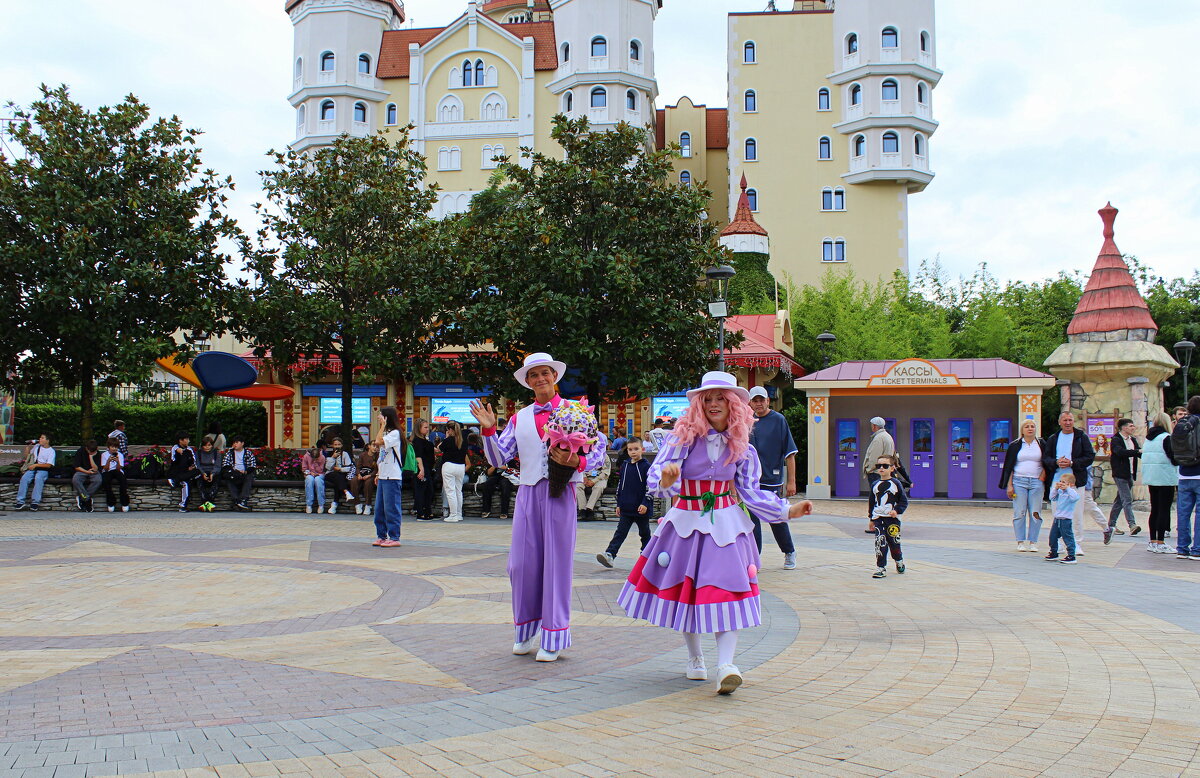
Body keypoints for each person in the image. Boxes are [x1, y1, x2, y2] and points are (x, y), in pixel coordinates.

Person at [615, 371, 812, 694]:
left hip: (725, 525)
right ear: (699, 405)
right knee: (687, 594)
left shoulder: (743, 448)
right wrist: (667, 481)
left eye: (721, 398)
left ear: (733, 404)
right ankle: (695, 658)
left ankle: (726, 665)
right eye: (708, 399)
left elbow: (750, 491)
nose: (714, 403)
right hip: (685, 525)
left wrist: (786, 511)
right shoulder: (682, 440)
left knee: (726, 590)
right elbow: (657, 481)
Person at [471, 352, 608, 663]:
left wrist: (578, 461)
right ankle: (524, 629)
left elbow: (598, 451)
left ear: (554, 376)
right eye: (533, 375)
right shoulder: (519, 417)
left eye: (544, 373)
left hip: (561, 495)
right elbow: (497, 459)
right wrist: (490, 430)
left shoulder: (577, 411)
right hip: (528, 494)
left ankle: (554, 634)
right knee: (519, 565)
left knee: (556, 566)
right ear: (527, 382)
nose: (540, 379)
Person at [1042, 411, 1112, 553]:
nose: (1068, 423)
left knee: (1076, 513)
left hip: (1076, 481)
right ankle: (1059, 543)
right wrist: (1056, 463)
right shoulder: (1053, 438)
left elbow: (1089, 456)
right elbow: (1046, 458)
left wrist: (1072, 463)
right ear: (1060, 422)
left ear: (1073, 422)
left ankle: (1076, 542)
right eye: (1065, 420)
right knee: (1057, 513)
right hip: (1057, 480)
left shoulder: (1081, 437)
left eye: (1070, 420)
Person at [746, 387, 799, 570]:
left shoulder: (778, 420)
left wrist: (791, 481)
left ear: (768, 401)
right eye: (755, 400)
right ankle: (755, 558)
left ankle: (789, 551)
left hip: (772, 479)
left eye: (762, 400)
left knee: (776, 517)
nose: (758, 404)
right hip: (750, 482)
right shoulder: (746, 422)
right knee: (752, 522)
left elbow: (790, 453)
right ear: (750, 403)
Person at [596, 436, 654, 568]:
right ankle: (610, 554)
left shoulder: (647, 467)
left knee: (644, 533)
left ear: (642, 449)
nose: (633, 452)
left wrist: (645, 502)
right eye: (630, 449)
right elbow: (621, 485)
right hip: (626, 507)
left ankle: (646, 555)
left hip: (641, 508)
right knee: (620, 532)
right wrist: (619, 503)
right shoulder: (626, 465)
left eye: (636, 449)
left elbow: (650, 486)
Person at [999, 420, 1047, 552]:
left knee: (1035, 512)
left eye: (1032, 426)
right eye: (1027, 426)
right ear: (1022, 430)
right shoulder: (1015, 445)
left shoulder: (1041, 444)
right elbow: (1009, 466)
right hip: (1019, 481)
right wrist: (1009, 485)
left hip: (1037, 482)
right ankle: (1020, 541)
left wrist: (1043, 474)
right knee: (1019, 512)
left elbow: (1048, 462)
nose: (1030, 429)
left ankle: (1033, 541)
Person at [1168, 396, 1200, 560]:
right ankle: (1197, 549)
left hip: (1183, 473)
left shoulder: (1181, 424)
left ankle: (1182, 548)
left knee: (1183, 512)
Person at [1142, 412, 1177, 553]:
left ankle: (1152, 541)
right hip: (1165, 477)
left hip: (1152, 477)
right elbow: (1173, 458)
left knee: (1155, 509)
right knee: (1164, 509)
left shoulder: (1148, 439)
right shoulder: (1166, 438)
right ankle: (1161, 541)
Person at [869, 456, 908, 578]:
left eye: (885, 466)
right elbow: (872, 502)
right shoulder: (875, 484)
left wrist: (896, 511)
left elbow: (903, 501)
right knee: (880, 542)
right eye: (878, 466)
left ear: (892, 468)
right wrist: (871, 518)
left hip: (892, 520)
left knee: (894, 542)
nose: (881, 468)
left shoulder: (896, 484)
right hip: (878, 518)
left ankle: (899, 560)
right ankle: (881, 567)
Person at [373, 407, 407, 547]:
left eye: (381, 415)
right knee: (379, 508)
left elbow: (378, 441)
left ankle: (394, 537)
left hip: (392, 477)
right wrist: (378, 473)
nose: (378, 417)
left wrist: (383, 425)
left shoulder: (395, 433)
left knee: (391, 508)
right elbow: (381, 455)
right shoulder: (387, 432)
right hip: (383, 476)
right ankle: (381, 535)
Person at [1108, 418, 1143, 536]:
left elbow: (1139, 453)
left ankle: (1111, 525)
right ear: (1123, 427)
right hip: (1120, 474)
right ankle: (1132, 525)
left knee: (1120, 500)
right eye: (1131, 426)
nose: (1133, 428)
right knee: (1127, 499)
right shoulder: (1116, 440)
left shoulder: (1132, 440)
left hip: (1130, 473)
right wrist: (1136, 451)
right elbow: (1120, 452)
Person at [863, 416, 895, 533]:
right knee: (882, 499)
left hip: (876, 472)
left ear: (875, 426)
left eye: (872, 425)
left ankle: (875, 524)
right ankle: (882, 524)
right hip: (885, 472)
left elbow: (874, 457)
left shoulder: (878, 438)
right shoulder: (888, 437)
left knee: (875, 498)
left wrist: (869, 469)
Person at [438, 421, 470, 523]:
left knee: (450, 491)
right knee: (458, 491)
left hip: (449, 466)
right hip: (460, 467)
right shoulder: (463, 441)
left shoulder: (448, 440)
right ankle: (459, 514)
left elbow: (439, 448)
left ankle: (453, 515)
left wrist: (446, 438)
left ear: (450, 430)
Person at [1044, 473, 1080, 564]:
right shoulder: (1060, 492)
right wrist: (1055, 488)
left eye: (1063, 482)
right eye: (1060, 481)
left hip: (1066, 519)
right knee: (1053, 536)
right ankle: (1054, 552)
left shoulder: (1072, 493)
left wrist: (1068, 488)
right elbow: (1052, 497)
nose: (1061, 484)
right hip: (1057, 518)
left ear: (1070, 484)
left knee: (1068, 537)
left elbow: (1075, 498)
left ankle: (1071, 555)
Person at [15, 434, 55, 511]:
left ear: (47, 441)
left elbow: (48, 465)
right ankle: (20, 501)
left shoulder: (51, 451)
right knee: (24, 478)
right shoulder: (37, 447)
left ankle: (35, 502)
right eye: (40, 437)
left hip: (43, 469)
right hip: (32, 468)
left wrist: (36, 465)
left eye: (42, 438)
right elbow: (28, 457)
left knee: (38, 478)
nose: (40, 439)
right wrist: (27, 447)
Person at [167, 432, 200, 513]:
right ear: (180, 440)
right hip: (177, 472)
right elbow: (174, 460)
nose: (188, 441)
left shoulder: (189, 450)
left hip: (187, 473)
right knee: (187, 483)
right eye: (187, 439)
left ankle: (175, 480)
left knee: (198, 473)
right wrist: (178, 451)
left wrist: (191, 467)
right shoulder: (175, 448)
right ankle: (183, 506)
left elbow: (194, 463)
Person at [223, 436, 257, 511]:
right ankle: (236, 500)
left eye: (237, 442)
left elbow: (253, 465)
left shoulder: (248, 453)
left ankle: (243, 500)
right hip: (234, 473)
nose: (235, 444)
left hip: (244, 473)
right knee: (227, 477)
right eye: (234, 443)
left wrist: (245, 471)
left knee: (249, 476)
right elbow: (225, 464)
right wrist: (234, 470)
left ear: (242, 443)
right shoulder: (230, 452)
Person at [575, 450, 611, 522]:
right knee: (577, 486)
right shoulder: (582, 454)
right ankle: (582, 509)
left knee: (599, 487)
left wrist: (594, 481)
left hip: (599, 478)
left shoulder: (604, 456)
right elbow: (578, 467)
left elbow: (606, 472)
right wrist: (584, 477)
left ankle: (589, 509)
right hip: (584, 477)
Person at [411, 419, 437, 521]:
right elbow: (418, 456)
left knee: (428, 490)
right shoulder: (417, 441)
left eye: (427, 427)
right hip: (422, 468)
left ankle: (428, 512)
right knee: (421, 490)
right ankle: (420, 513)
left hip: (427, 467)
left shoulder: (425, 441)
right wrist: (421, 470)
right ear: (419, 428)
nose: (427, 429)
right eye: (425, 427)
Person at [324, 437, 355, 514]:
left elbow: (348, 468)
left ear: (342, 445)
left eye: (339, 444)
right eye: (335, 444)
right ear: (332, 445)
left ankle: (334, 504)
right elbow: (328, 468)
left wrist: (340, 469)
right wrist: (333, 458)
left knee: (338, 480)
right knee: (337, 477)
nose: (337, 446)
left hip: (341, 474)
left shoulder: (345, 454)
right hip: (330, 474)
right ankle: (346, 492)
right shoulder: (329, 454)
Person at [71, 439, 103, 512]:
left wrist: (91, 457)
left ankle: (83, 497)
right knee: (76, 479)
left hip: (93, 471)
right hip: (82, 470)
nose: (92, 453)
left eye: (93, 452)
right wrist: (86, 471)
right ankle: (87, 499)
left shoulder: (97, 453)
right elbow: (77, 466)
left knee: (98, 480)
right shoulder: (80, 451)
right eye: (90, 451)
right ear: (86, 448)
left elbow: (96, 468)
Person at [100, 437, 130, 512]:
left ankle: (124, 502)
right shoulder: (104, 455)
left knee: (123, 481)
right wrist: (108, 461)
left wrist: (117, 462)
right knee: (106, 481)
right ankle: (111, 502)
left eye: (116, 447)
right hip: (108, 471)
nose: (114, 449)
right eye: (112, 447)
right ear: (108, 447)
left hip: (117, 470)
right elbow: (105, 469)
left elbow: (119, 468)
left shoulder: (120, 455)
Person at [195, 435, 222, 512]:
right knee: (199, 480)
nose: (207, 447)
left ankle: (207, 502)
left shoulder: (216, 453)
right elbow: (198, 465)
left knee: (217, 479)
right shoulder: (198, 453)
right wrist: (203, 473)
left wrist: (212, 474)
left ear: (212, 445)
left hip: (213, 471)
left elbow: (218, 466)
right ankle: (207, 503)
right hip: (202, 471)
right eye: (205, 445)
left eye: (209, 445)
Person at [352, 441, 378, 515]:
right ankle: (357, 503)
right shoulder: (363, 455)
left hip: (371, 474)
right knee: (354, 480)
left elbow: (377, 469)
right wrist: (359, 474)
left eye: (376, 446)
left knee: (368, 482)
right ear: (369, 446)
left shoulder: (377, 456)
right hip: (362, 473)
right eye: (373, 446)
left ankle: (368, 505)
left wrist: (370, 475)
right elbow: (358, 467)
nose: (375, 448)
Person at [302, 445, 327, 514]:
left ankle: (321, 504)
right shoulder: (306, 456)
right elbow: (304, 469)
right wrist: (310, 473)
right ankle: (309, 504)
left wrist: (316, 463)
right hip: (310, 474)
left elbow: (321, 469)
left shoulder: (322, 457)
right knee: (310, 480)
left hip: (320, 474)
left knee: (318, 480)